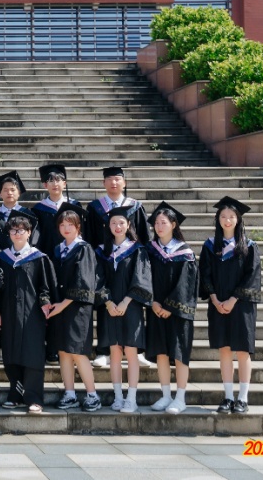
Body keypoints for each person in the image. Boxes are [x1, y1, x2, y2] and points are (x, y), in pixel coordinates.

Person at [85, 165, 152, 369]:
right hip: (104, 261)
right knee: (105, 308)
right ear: (103, 183)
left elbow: (144, 237)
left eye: (117, 179)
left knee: (133, 308)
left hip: (130, 263)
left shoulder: (135, 206)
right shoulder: (95, 208)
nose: (114, 182)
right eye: (110, 179)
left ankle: (137, 351)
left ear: (124, 183)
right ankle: (104, 351)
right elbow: (89, 238)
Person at [200, 196, 261, 415]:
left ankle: (242, 398)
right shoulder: (210, 246)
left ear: (238, 220)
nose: (227, 220)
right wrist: (215, 299)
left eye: (231, 216)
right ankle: (227, 397)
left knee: (243, 351)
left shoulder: (249, 246)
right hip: (218, 304)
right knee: (224, 350)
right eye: (223, 216)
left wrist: (233, 299)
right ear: (218, 219)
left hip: (242, 305)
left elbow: (251, 276)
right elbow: (205, 274)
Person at [0, 210, 56, 414]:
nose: (17, 233)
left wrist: (45, 303)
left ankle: (34, 398)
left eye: (21, 230)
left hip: (32, 314)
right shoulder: (3, 258)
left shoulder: (39, 258)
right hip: (9, 312)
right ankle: (15, 394)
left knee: (32, 354)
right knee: (10, 353)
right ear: (9, 234)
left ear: (29, 233)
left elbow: (46, 286)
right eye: (13, 230)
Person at [96, 208, 152, 414]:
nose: (117, 227)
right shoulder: (102, 251)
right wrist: (108, 303)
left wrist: (125, 302)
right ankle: (118, 396)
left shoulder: (138, 250)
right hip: (109, 308)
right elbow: (97, 279)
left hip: (131, 307)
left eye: (121, 223)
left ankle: (131, 398)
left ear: (128, 225)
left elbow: (141, 279)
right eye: (113, 223)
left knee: (131, 352)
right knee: (114, 352)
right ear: (108, 226)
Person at [47, 203, 101, 412]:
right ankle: (69, 393)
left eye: (70, 224)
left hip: (77, 308)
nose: (66, 228)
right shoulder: (58, 249)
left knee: (77, 352)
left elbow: (83, 281)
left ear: (78, 227)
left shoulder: (84, 249)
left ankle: (92, 394)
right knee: (63, 352)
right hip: (59, 307)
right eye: (62, 225)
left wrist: (63, 304)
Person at [146, 202, 198, 415]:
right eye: (157, 223)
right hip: (156, 309)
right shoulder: (150, 250)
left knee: (179, 354)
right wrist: (153, 301)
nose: (159, 227)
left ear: (174, 224)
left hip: (178, 312)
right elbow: (144, 278)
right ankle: (166, 395)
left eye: (164, 223)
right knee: (161, 353)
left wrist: (170, 306)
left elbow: (187, 284)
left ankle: (180, 398)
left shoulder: (185, 252)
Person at [0, 169, 37, 364]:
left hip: (23, 263)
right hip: (1, 264)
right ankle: (0, 346)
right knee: (1, 301)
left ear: (19, 192)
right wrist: (3, 255)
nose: (9, 192)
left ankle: (25, 344)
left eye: (13, 189)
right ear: (0, 193)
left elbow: (35, 239)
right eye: (6, 189)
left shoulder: (28, 214)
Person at [31, 163, 80, 257]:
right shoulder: (38, 209)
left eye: (58, 180)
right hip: (47, 253)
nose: (55, 184)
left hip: (72, 254)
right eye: (51, 180)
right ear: (45, 185)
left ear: (64, 183)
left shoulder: (74, 206)